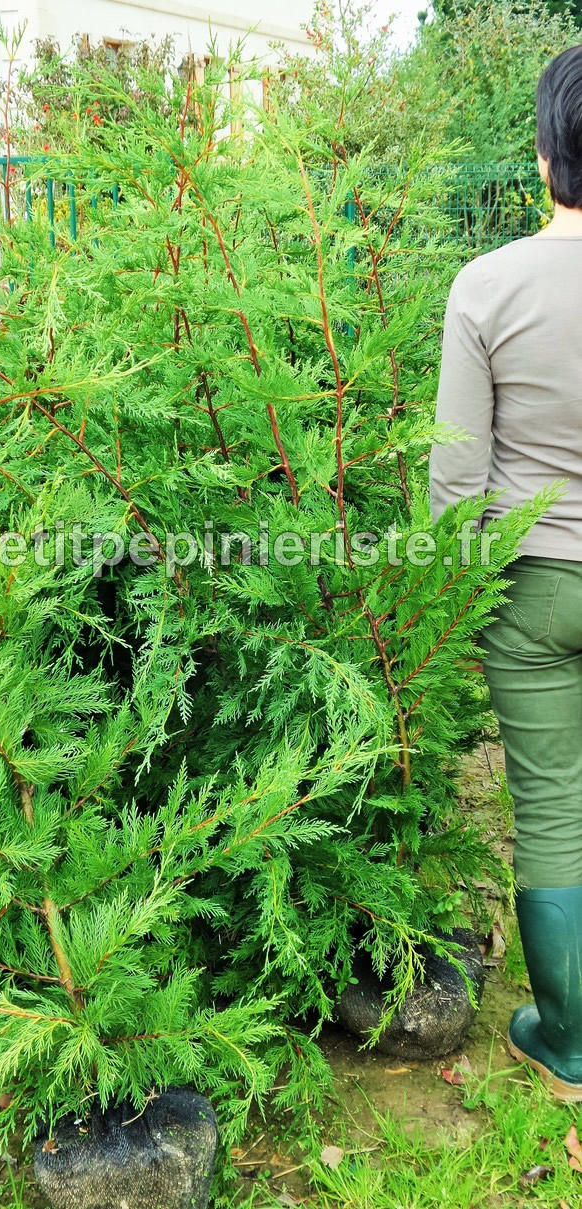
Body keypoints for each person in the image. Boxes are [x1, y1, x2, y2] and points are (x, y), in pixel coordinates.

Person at [429, 44, 582, 1102]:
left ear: (541, 158)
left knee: (550, 807)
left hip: (531, 584)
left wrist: (449, 603)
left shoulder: (487, 284)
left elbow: (456, 478)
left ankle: (565, 1039)